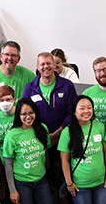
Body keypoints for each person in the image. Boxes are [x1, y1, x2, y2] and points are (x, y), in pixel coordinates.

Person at [23, 51, 79, 200]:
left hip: (64, 136)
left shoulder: (67, 86)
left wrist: (58, 133)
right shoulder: (29, 89)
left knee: (64, 168)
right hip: (38, 138)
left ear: (55, 65)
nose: (46, 66)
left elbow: (71, 112)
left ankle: (64, 194)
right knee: (44, 171)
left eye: (49, 63)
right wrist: (43, 134)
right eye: (42, 64)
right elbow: (25, 113)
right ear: (37, 67)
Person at [59, 96, 106, 204]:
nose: (86, 111)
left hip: (101, 184)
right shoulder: (67, 132)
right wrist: (69, 183)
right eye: (82, 108)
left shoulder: (100, 127)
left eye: (89, 107)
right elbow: (65, 161)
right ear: (74, 111)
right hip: (80, 186)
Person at [2, 98, 54, 204]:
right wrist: (12, 190)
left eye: (31, 112)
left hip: (42, 179)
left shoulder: (42, 128)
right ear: (18, 115)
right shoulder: (12, 135)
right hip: (22, 182)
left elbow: (46, 152)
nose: (28, 117)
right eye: (24, 114)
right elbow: (8, 164)